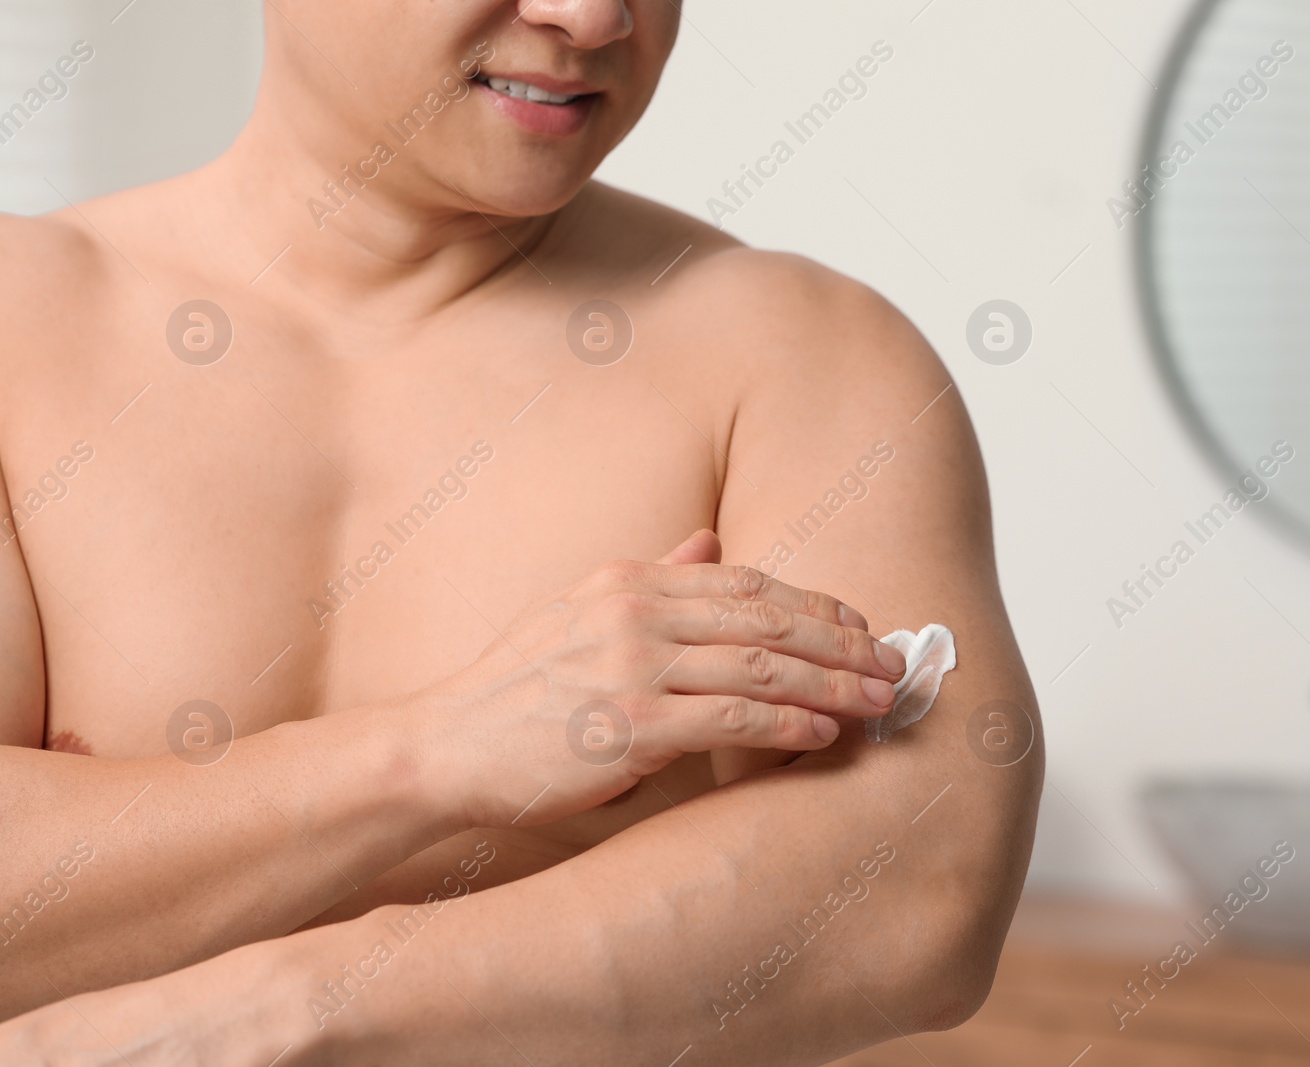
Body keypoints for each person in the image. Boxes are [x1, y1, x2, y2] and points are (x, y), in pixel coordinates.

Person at [0, 2, 1042, 1062]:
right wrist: (432, 752)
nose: (590, 15)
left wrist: (286, 1009)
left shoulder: (805, 358)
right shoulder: (17, 322)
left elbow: (918, 888)